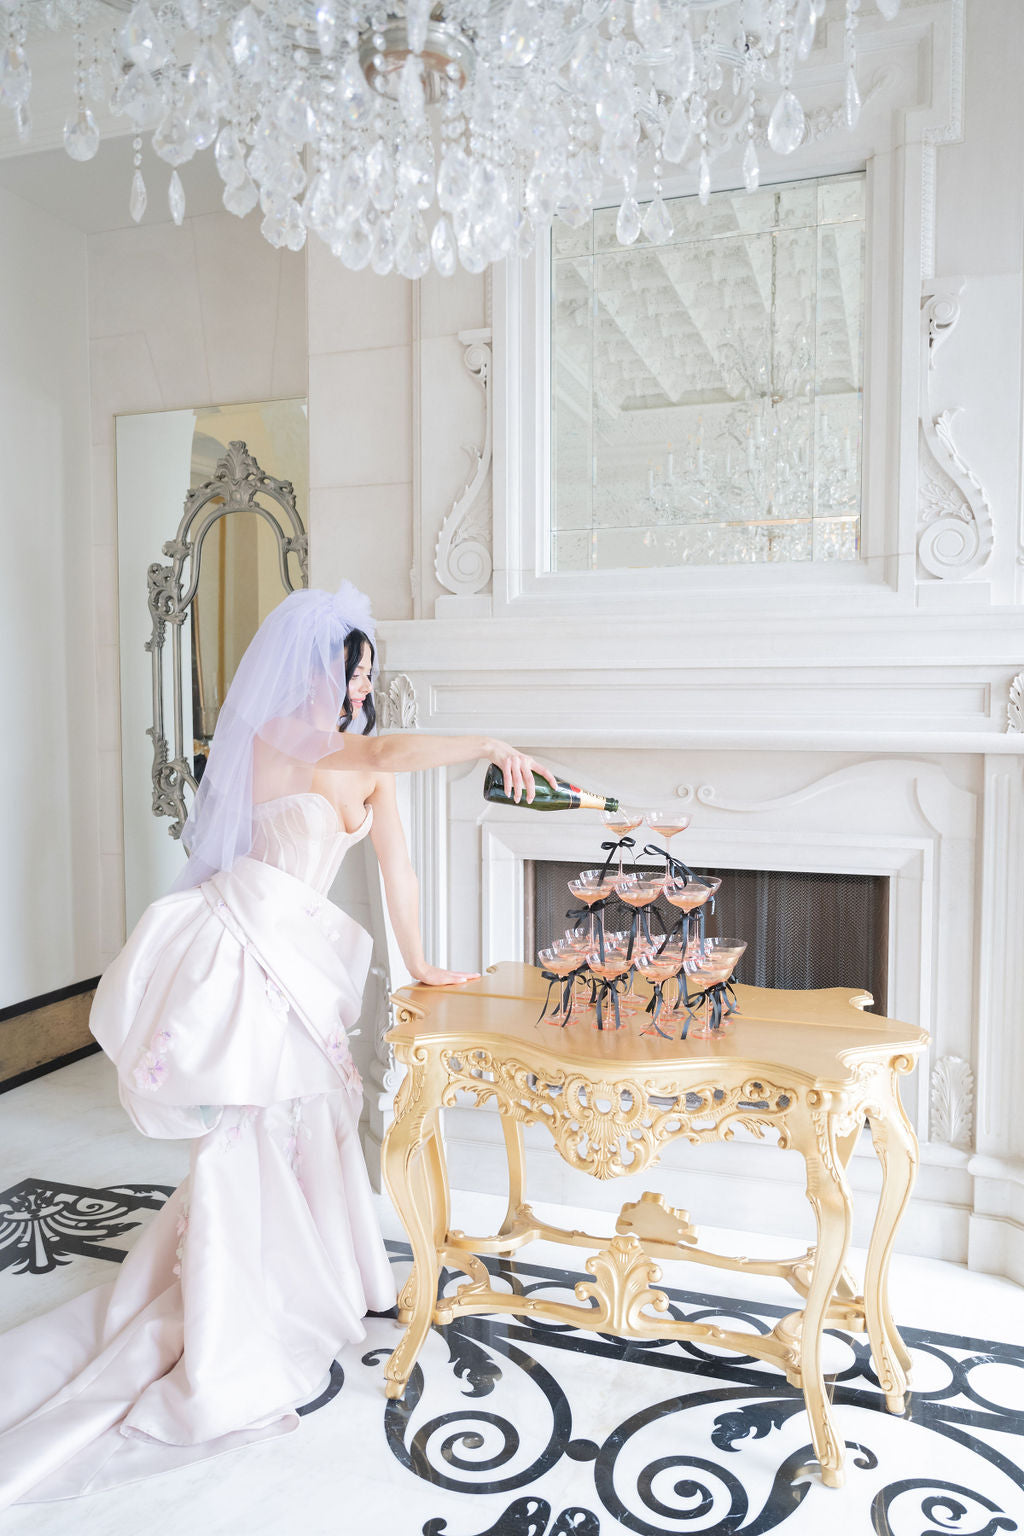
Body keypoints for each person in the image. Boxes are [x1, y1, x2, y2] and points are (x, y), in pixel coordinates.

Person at [0, 581, 555, 1507]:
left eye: (367, 674)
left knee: (316, 1115)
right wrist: (486, 745)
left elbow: (399, 871)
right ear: (309, 671)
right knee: (247, 1126)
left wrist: (422, 963)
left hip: (304, 953)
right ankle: (232, 1297)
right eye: (349, 671)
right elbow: (382, 749)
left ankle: (321, 1274)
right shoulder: (278, 739)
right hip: (246, 945)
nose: (358, 687)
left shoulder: (365, 763)